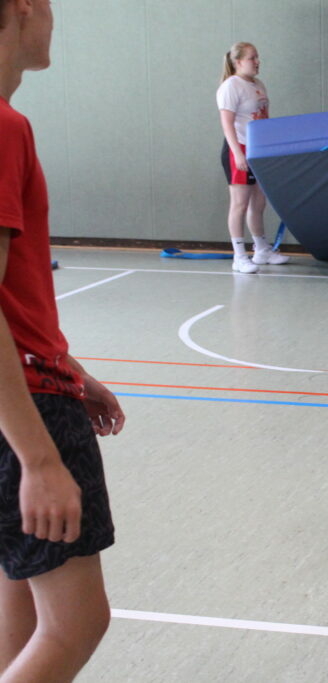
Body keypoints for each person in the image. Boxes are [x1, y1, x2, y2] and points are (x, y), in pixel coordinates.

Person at [0, 0, 126, 679]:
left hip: (29, 387)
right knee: (75, 622)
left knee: (20, 613)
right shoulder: (4, 127)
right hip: (26, 411)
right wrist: (40, 458)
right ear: (24, 8)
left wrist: (69, 368)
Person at [217, 41, 289, 274]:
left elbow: (263, 118)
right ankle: (239, 256)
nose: (257, 62)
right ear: (238, 62)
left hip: (258, 149)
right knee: (240, 203)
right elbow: (227, 124)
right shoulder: (231, 86)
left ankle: (262, 250)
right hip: (239, 148)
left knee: (258, 202)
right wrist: (238, 154)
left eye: (258, 57)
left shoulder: (258, 84)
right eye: (252, 58)